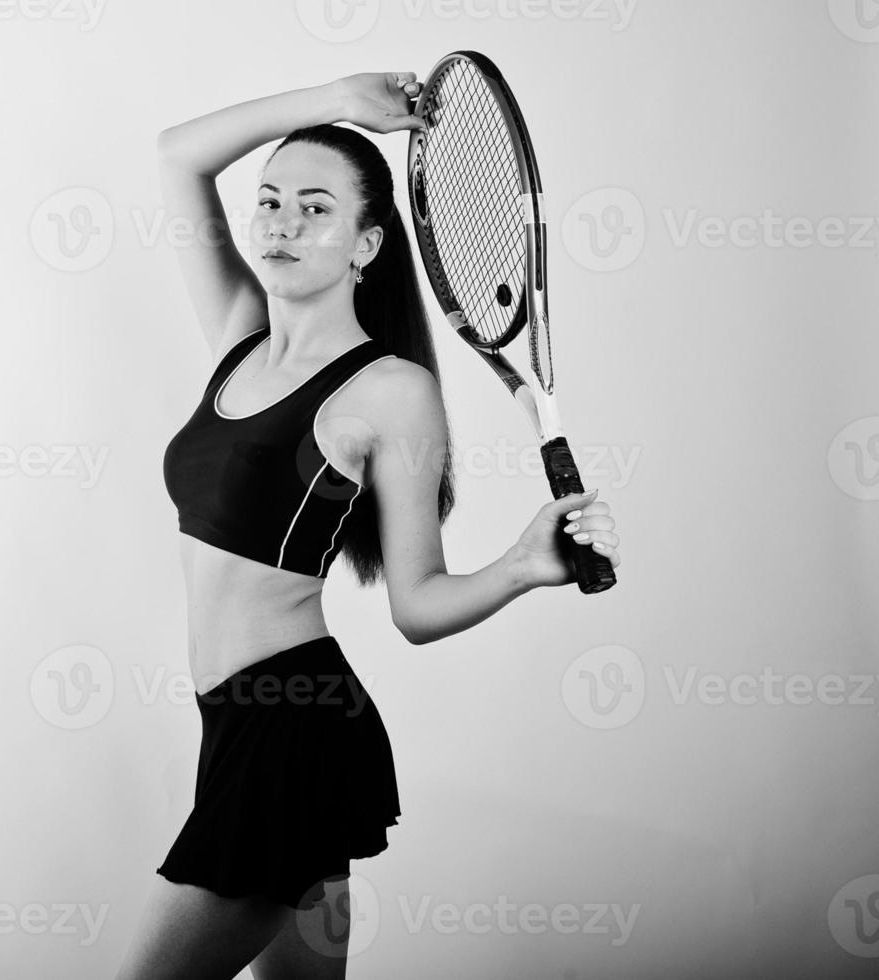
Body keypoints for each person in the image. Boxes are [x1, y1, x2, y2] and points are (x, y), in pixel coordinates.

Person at [113, 72, 622, 980]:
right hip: (233, 725)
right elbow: (177, 154)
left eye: (314, 209)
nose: (278, 223)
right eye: (268, 203)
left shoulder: (391, 390)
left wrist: (521, 563)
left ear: (367, 244)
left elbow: (416, 606)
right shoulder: (238, 339)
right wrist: (338, 98)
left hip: (293, 731)